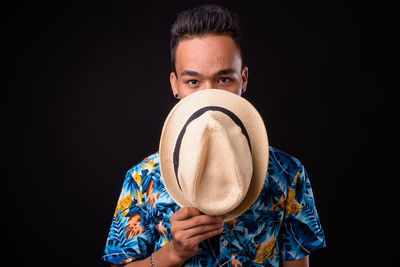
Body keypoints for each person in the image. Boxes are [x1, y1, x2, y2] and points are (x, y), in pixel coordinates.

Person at [103, 4, 325, 267]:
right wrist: (172, 253)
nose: (209, 97)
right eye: (193, 82)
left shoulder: (287, 174)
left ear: (243, 79)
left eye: (223, 80)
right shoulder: (142, 179)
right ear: (175, 85)